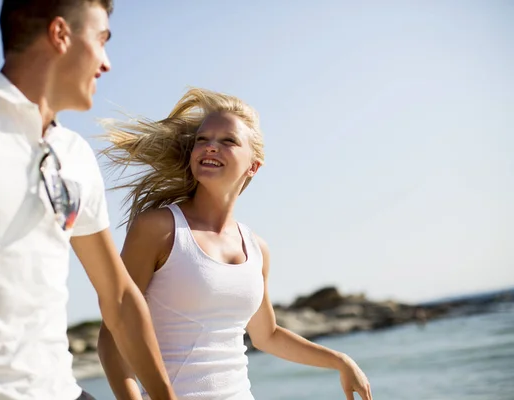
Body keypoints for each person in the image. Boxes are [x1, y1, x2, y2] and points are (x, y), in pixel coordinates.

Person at [0, 1, 176, 399]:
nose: (106, 63)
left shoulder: (74, 154)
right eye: (101, 39)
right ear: (60, 34)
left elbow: (120, 298)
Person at [98, 88, 373, 399]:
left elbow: (266, 335)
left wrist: (340, 360)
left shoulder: (256, 249)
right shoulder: (159, 228)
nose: (210, 147)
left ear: (253, 165)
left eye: (227, 141)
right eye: (202, 140)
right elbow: (112, 334)